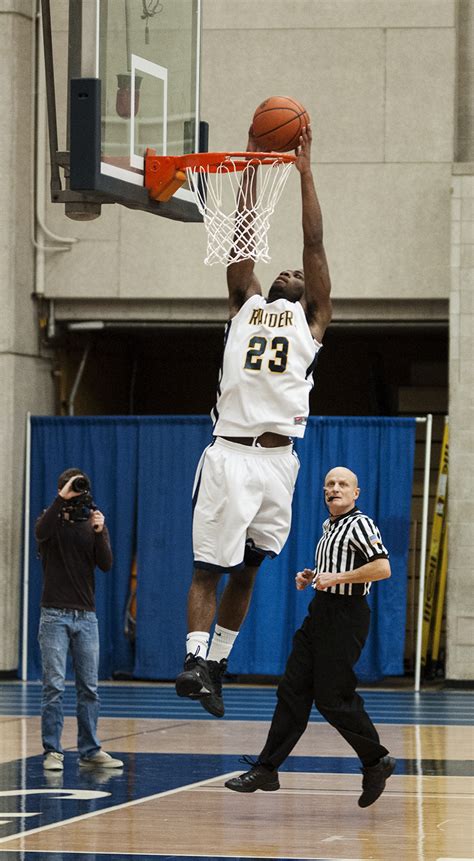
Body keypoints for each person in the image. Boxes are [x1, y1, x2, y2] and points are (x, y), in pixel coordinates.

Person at [175, 124, 332, 718]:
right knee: (209, 565)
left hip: (278, 460)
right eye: (284, 269)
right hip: (231, 452)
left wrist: (304, 172)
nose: (292, 269)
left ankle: (216, 664)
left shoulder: (312, 321)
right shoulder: (246, 305)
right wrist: (251, 168)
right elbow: (243, 239)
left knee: (249, 568)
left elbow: (314, 243)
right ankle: (192, 658)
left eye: (298, 272)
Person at [225, 466, 396, 808]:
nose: (334, 488)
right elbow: (336, 572)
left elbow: (382, 568)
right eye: (329, 484)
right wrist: (314, 576)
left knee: (332, 698)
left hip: (346, 616)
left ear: (355, 493)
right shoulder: (329, 527)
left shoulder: (360, 523)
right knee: (292, 689)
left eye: (342, 484)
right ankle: (267, 768)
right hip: (320, 611)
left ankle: (376, 761)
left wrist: (336, 578)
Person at [35, 468, 123, 771]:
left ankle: (89, 749)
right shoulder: (51, 520)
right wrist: (61, 500)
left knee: (89, 687)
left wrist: (101, 532)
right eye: (72, 487)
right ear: (62, 490)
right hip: (54, 615)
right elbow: (40, 533)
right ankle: (53, 751)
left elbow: (106, 563)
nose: (77, 492)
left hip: (86, 616)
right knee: (54, 686)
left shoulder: (92, 522)